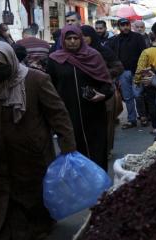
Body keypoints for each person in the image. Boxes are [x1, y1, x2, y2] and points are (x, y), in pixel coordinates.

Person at [0, 41, 76, 240]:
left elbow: (58, 115)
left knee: (28, 197)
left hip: (30, 153)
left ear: (10, 62)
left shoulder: (35, 80)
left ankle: (35, 228)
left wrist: (69, 150)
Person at [48, 25, 114, 170]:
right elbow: (50, 88)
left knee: (97, 152)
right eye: (68, 38)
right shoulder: (55, 60)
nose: (72, 41)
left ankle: (99, 187)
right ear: (63, 40)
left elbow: (107, 84)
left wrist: (102, 95)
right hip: (68, 115)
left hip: (94, 113)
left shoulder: (93, 56)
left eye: (76, 38)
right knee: (74, 153)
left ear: (81, 39)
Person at [81, 25, 124, 158]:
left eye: (84, 36)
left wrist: (101, 74)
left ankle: (106, 150)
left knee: (107, 123)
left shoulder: (104, 51)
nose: (81, 39)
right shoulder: (78, 53)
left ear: (91, 37)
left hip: (105, 91)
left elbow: (119, 67)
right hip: (86, 93)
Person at [107, 18, 147, 129]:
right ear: (119, 27)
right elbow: (109, 53)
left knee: (138, 95)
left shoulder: (138, 37)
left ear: (130, 25)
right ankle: (131, 120)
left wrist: (143, 70)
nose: (125, 27)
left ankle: (143, 116)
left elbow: (144, 53)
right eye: (122, 25)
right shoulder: (116, 40)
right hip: (123, 72)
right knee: (128, 97)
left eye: (127, 25)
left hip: (137, 71)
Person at [134, 32, 156, 134]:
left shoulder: (146, 52)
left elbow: (140, 68)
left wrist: (137, 80)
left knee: (152, 104)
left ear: (150, 40)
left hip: (149, 81)